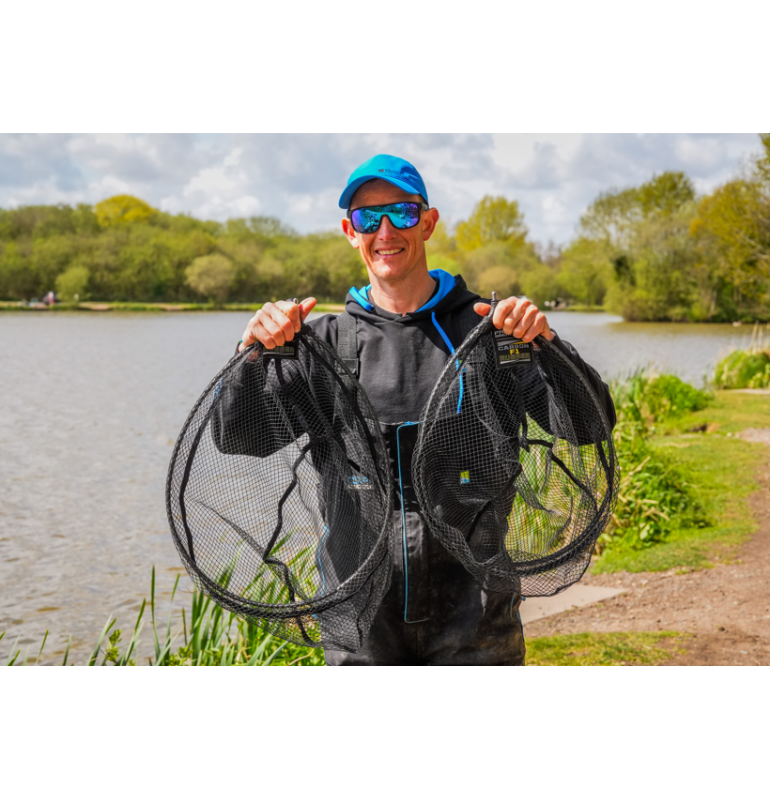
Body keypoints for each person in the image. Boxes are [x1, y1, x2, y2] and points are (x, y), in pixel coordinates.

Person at [237, 154, 615, 667]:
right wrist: (250, 355)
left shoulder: (490, 333)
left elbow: (588, 426)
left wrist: (546, 342)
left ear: (429, 222)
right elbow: (240, 438)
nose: (386, 230)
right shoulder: (321, 344)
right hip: (359, 620)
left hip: (476, 618)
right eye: (369, 218)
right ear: (351, 231)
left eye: (403, 213)